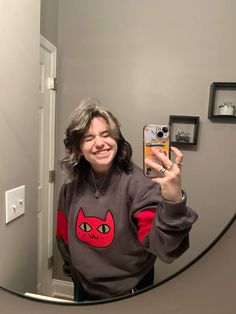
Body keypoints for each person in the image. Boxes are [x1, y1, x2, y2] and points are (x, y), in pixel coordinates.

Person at [56, 98, 198, 301]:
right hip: (83, 288)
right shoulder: (71, 186)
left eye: (106, 134)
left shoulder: (139, 185)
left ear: (116, 139)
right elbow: (64, 236)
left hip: (129, 292)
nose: (100, 143)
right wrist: (75, 273)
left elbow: (164, 248)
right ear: (78, 148)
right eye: (89, 138)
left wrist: (173, 199)